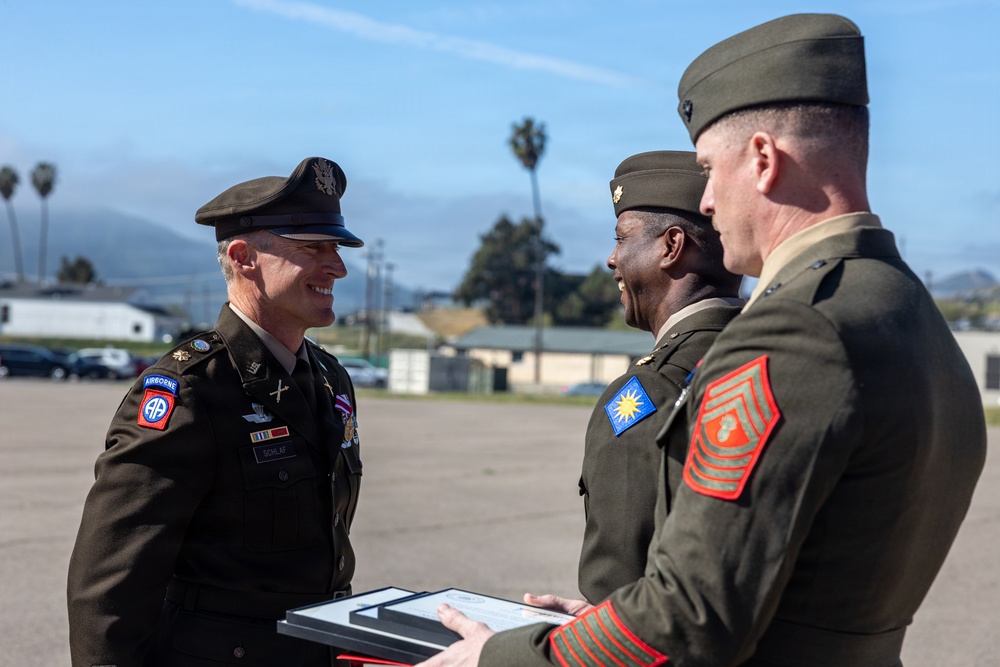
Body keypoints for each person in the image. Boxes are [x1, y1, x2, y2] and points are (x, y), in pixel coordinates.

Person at [416, 14, 987, 667]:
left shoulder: (795, 331)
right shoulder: (906, 307)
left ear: (764, 160)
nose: (708, 201)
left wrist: (499, 658)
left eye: (711, 170)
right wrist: (592, 631)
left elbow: (688, 618)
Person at [67, 157, 366, 667]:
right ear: (245, 257)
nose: (336, 265)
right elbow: (110, 587)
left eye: (335, 247)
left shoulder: (329, 379)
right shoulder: (190, 393)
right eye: (313, 247)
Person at [578, 150, 742, 604]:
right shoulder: (775, 353)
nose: (612, 259)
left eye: (622, 238)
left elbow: (617, 590)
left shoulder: (650, 393)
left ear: (671, 247)